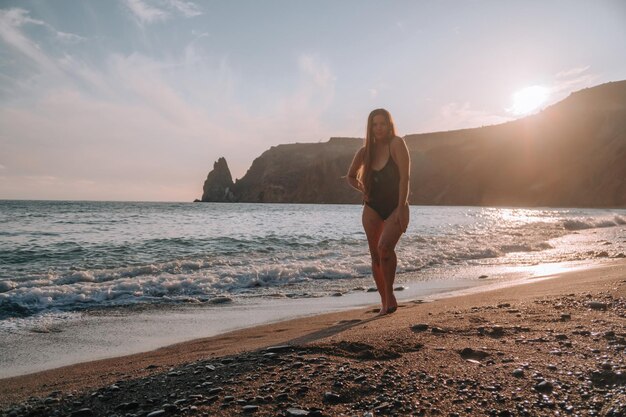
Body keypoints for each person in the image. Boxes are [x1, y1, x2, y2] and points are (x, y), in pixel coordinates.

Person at [346, 108, 410, 316]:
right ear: (370, 127)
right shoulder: (365, 152)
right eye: (375, 124)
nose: (379, 128)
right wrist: (363, 190)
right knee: (375, 256)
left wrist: (401, 208)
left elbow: (404, 179)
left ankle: (390, 295)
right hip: (372, 207)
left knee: (385, 248)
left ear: (389, 125)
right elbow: (350, 176)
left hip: (395, 206)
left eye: (382, 123)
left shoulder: (397, 144)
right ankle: (385, 302)